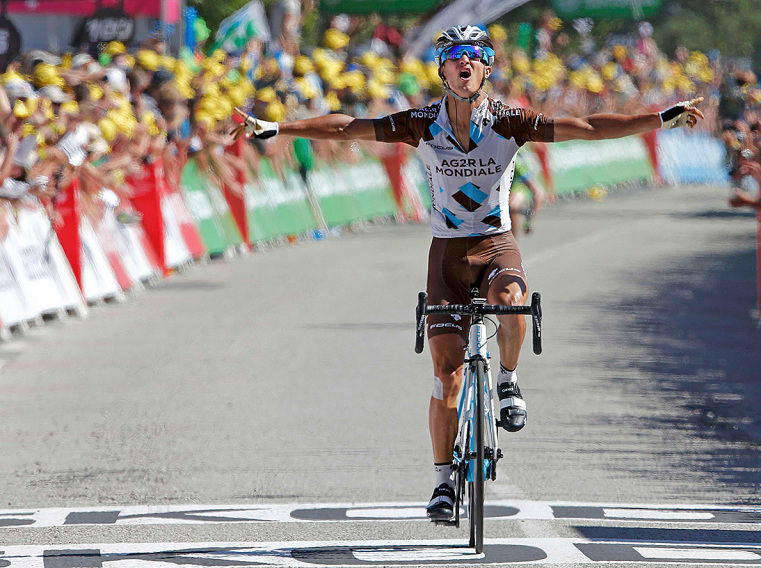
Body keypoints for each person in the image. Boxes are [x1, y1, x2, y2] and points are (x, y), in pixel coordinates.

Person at [233, 24, 703, 522]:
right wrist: (277, 128)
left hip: (496, 244)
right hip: (447, 257)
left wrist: (659, 118)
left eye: (475, 55)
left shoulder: (510, 121)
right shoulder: (421, 123)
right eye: (456, 55)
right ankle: (442, 484)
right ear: (442, 69)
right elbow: (349, 127)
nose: (465, 62)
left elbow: (586, 127)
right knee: (445, 375)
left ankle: (509, 381)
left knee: (513, 300)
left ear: (487, 68)